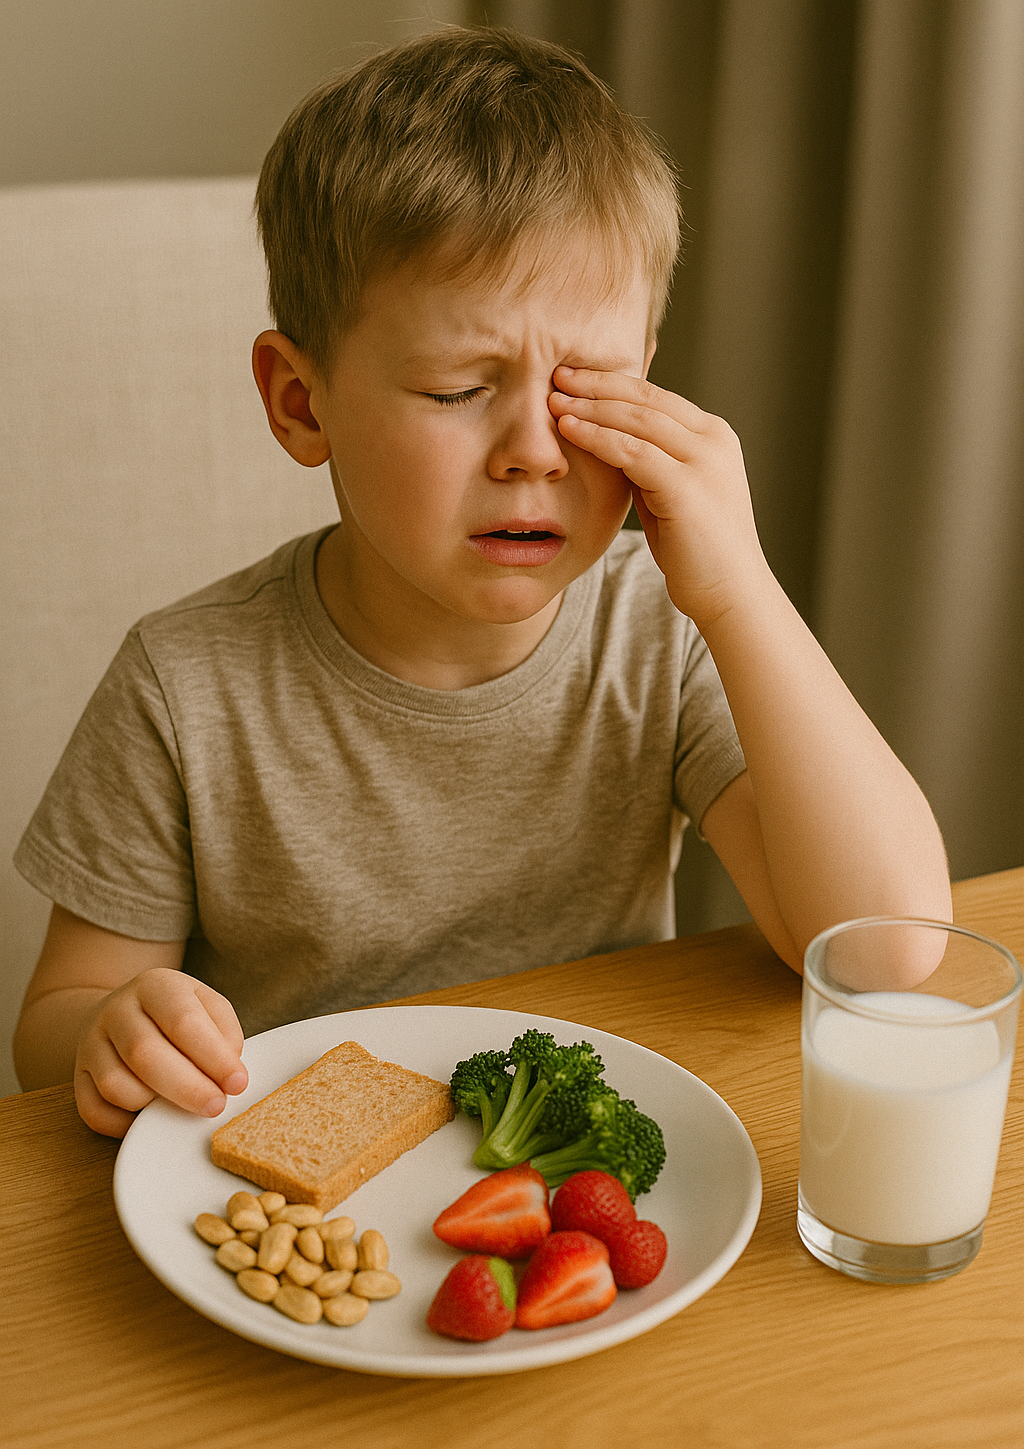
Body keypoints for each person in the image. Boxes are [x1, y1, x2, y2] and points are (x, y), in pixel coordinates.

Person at [12, 27, 951, 1136]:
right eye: (460, 389)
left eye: (589, 389)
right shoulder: (185, 686)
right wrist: (114, 1029)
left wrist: (742, 591)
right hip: (297, 1206)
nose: (534, 452)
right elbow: (52, 1028)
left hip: (569, 1180)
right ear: (301, 404)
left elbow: (887, 952)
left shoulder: (660, 633)